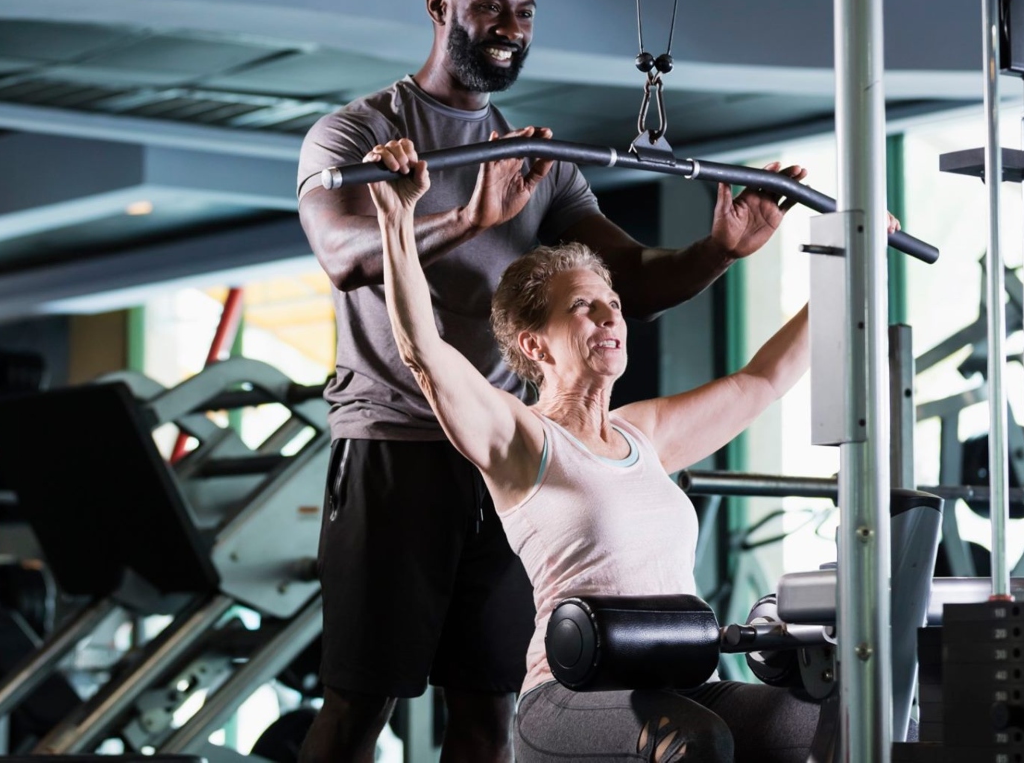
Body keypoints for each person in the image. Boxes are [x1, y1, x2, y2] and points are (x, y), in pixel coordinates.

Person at [296, 0, 806, 763]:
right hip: (396, 443)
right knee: (361, 701)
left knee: (488, 704)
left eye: (524, 12)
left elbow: (630, 281)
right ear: (439, 6)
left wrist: (718, 251)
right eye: (490, 6)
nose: (509, 26)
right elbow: (343, 252)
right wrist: (466, 218)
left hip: (519, 460)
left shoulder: (539, 166)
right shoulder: (360, 133)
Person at [367, 157, 896, 761]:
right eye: (583, 306)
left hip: (683, 685)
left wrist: (852, 270)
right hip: (571, 698)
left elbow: (763, 382)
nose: (609, 315)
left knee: (832, 725)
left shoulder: (643, 434)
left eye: (612, 302)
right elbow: (423, 352)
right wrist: (395, 215)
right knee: (695, 743)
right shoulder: (521, 440)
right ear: (535, 344)